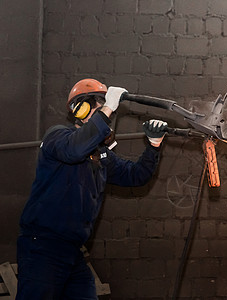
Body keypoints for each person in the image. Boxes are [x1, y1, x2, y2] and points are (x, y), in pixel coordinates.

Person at [16, 78, 168, 299]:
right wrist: (107, 108)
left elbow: (136, 176)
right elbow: (75, 149)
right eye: (101, 107)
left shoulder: (101, 156)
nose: (109, 118)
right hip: (42, 248)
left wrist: (153, 146)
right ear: (81, 109)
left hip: (73, 252)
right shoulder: (58, 137)